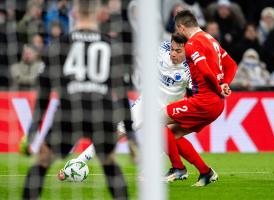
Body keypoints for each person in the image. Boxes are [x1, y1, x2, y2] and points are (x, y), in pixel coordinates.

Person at [58, 33, 206, 183]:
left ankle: (180, 170)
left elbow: (200, 93)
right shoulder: (162, 49)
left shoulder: (189, 70)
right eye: (172, 49)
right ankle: (77, 163)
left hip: (167, 111)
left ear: (187, 51)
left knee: (166, 139)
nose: (173, 53)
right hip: (145, 103)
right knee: (115, 133)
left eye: (178, 51)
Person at [20, 0, 128, 199]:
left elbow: (44, 95)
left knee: (42, 161)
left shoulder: (60, 44)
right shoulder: (110, 45)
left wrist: (33, 132)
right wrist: (132, 138)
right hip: (102, 114)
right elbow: (121, 95)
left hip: (69, 113)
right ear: (99, 15)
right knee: (110, 164)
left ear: (75, 13)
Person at [164, 10, 237, 186]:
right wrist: (225, 83)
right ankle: (205, 172)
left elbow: (205, 71)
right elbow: (232, 65)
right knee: (172, 134)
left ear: (181, 27)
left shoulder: (192, 44)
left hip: (204, 101)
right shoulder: (211, 40)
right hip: (217, 105)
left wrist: (219, 87)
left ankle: (178, 168)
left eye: (177, 29)